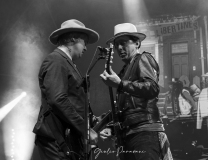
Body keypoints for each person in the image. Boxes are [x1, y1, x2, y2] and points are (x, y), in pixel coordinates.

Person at [100, 23, 173, 160]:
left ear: (137, 44)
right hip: (130, 135)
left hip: (146, 133)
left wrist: (121, 84)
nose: (119, 48)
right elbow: (124, 107)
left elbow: (152, 88)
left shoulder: (143, 59)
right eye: (116, 45)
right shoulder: (124, 71)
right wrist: (111, 127)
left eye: (123, 43)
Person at [32, 19, 100, 160]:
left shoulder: (65, 62)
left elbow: (74, 103)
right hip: (57, 140)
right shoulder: (56, 61)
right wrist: (85, 129)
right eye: (84, 42)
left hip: (65, 140)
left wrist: (91, 125)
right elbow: (58, 99)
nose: (86, 48)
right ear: (72, 38)